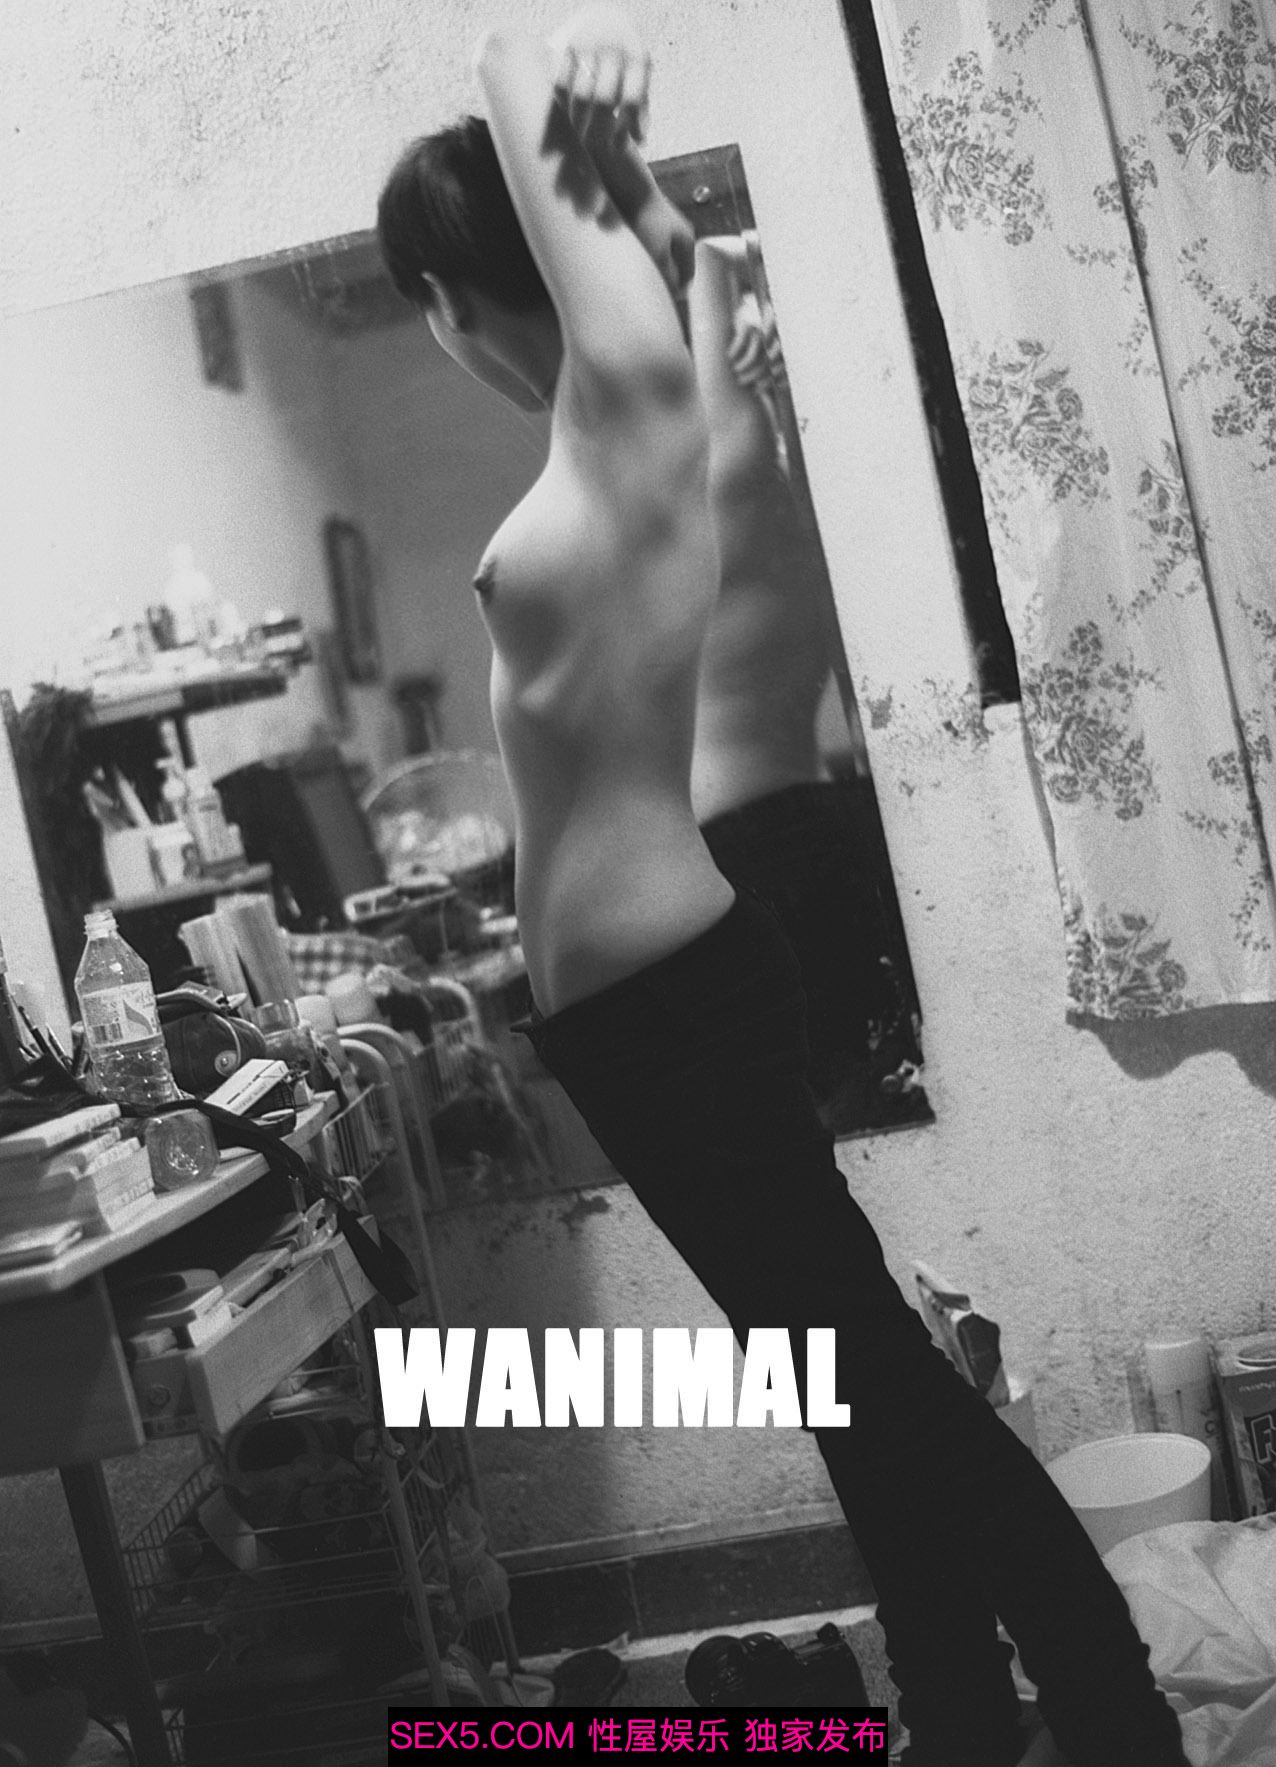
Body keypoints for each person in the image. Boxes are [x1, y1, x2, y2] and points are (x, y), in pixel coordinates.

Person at [375, 11, 1188, 1762]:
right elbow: (667, 244)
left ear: (451, 294)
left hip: (669, 1007)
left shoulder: (626, 412)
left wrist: (552, 96)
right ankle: (962, 1703)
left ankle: (1111, 1708)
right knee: (848, 1379)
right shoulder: (616, 425)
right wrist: (623, 175)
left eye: (430, 300)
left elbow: (515, 59)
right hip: (646, 1014)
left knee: (875, 1381)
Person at [685, 238, 923, 1134]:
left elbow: (710, 275)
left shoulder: (755, 498)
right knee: (855, 1095)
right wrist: (750, 274)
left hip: (747, 840)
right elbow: (707, 261)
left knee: (829, 1108)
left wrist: (743, 296)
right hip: (783, 836)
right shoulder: (744, 490)